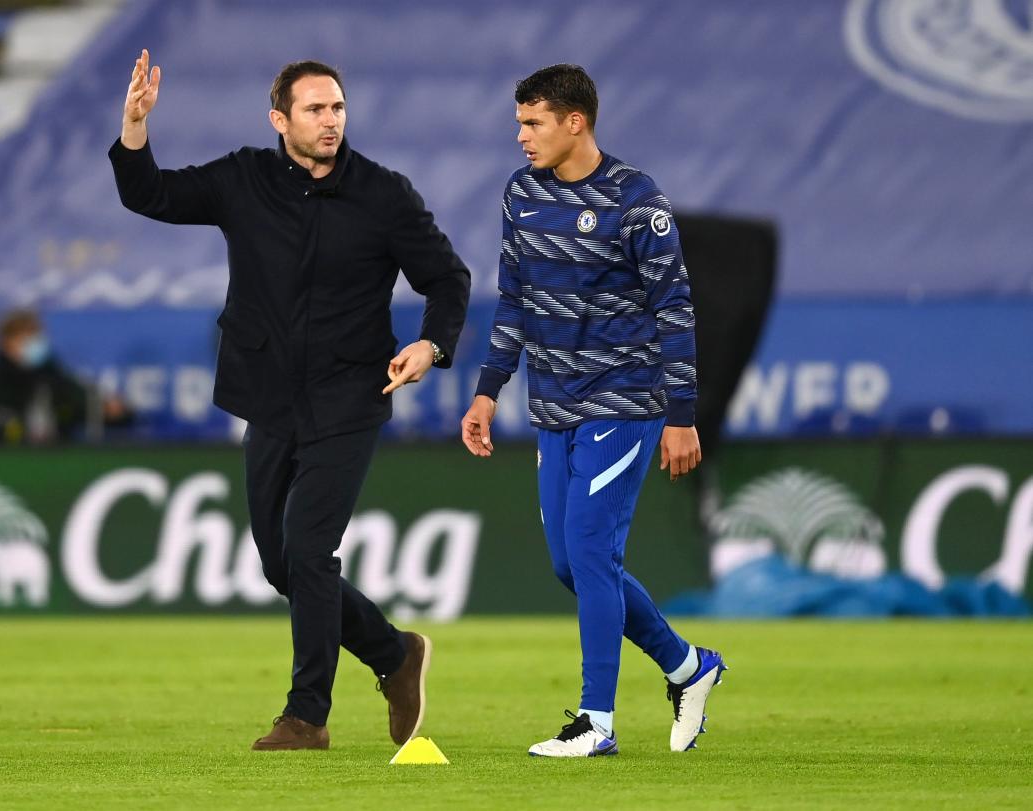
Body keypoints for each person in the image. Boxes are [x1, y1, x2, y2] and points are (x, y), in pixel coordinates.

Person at [110, 52, 470, 751]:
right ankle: (395, 652)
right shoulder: (243, 178)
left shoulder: (384, 194)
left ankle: (306, 714)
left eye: (336, 107)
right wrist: (134, 127)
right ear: (280, 119)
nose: (330, 120)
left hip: (349, 395)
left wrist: (432, 344)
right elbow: (148, 194)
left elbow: (447, 279)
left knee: (308, 548)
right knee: (281, 564)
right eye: (314, 109)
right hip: (269, 396)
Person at [460, 65, 725, 757]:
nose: (521, 137)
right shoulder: (521, 195)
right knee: (570, 565)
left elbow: (676, 310)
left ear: (575, 122)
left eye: (533, 123)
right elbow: (512, 299)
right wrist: (489, 389)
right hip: (552, 405)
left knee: (589, 549)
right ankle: (689, 666)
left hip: (624, 399)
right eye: (520, 123)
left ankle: (596, 721)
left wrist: (682, 413)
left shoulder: (638, 202)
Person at [0, 309, 127, 442]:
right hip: (6, 461)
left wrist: (110, 410)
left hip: (57, 462)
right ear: (5, 343)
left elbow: (99, 411)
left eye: (35, 337)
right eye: (24, 338)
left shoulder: (56, 380)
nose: (32, 344)